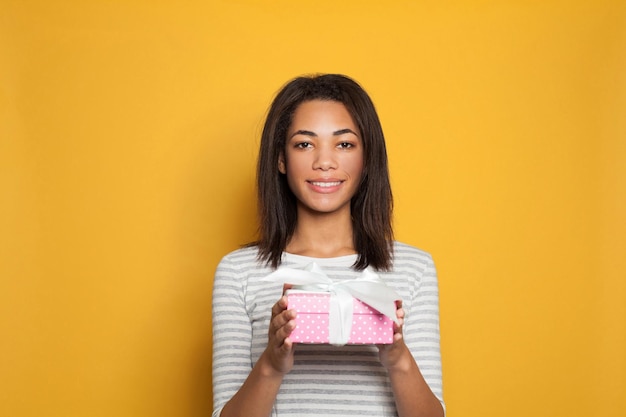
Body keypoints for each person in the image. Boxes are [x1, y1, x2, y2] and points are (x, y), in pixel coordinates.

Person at [211, 74, 445, 417]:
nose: (325, 162)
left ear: (367, 160)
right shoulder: (239, 272)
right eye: (304, 144)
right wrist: (272, 365)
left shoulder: (414, 268)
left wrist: (397, 358)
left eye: (345, 144)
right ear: (280, 159)